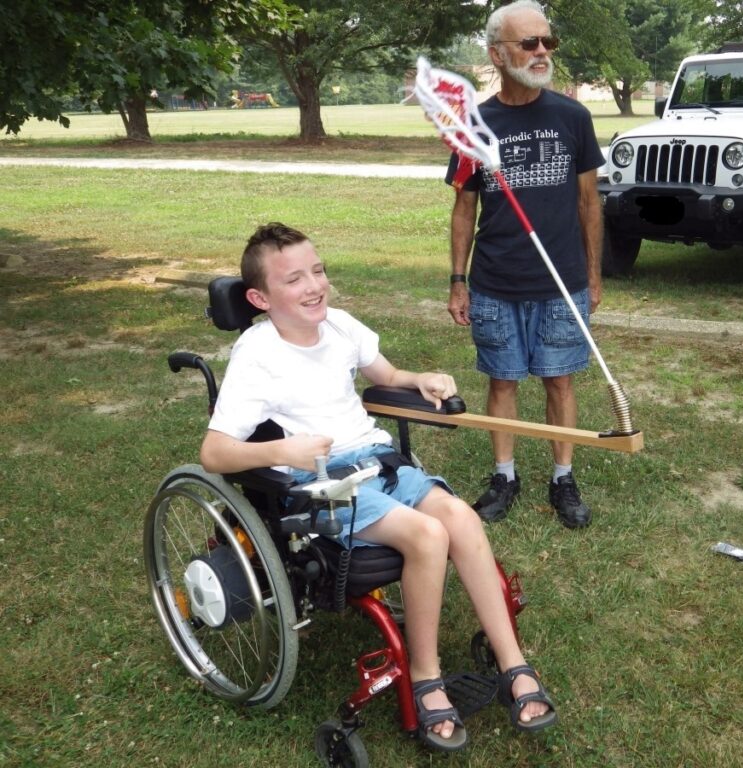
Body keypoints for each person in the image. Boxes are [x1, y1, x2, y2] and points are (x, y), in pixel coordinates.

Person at [199, 223, 556, 751]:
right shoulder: (257, 355)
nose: (314, 285)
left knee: (461, 517)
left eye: (317, 270)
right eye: (294, 279)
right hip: (324, 484)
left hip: (379, 462)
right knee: (429, 536)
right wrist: (282, 451)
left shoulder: (339, 325)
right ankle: (426, 676)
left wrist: (418, 380)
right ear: (259, 298)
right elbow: (215, 453)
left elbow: (383, 372)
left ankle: (513, 664)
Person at [446, 0, 604, 530]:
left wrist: (594, 275)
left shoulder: (573, 117)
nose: (542, 52)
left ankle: (563, 478)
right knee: (503, 381)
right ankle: (504, 474)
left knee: (559, 381)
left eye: (547, 42)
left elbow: (588, 203)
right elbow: (464, 206)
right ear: (497, 53)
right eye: (528, 43)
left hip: (562, 283)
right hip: (494, 282)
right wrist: (457, 281)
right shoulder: (474, 125)